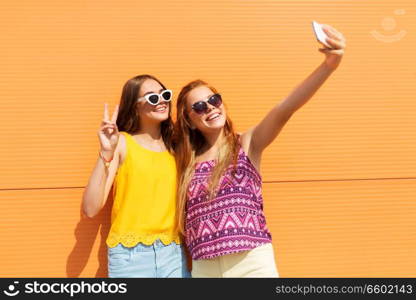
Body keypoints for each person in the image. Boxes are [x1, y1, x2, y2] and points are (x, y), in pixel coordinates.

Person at [174, 24, 346, 277]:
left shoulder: (246, 144)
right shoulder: (185, 161)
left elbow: (285, 109)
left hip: (251, 264)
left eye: (214, 100)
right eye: (199, 106)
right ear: (188, 119)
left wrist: (328, 66)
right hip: (204, 267)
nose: (210, 108)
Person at [82, 74, 190, 278]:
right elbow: (90, 208)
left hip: (173, 252)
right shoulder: (122, 143)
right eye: (152, 97)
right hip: (130, 257)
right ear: (134, 107)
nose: (162, 101)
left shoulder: (176, 147)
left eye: (164, 95)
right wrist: (105, 153)